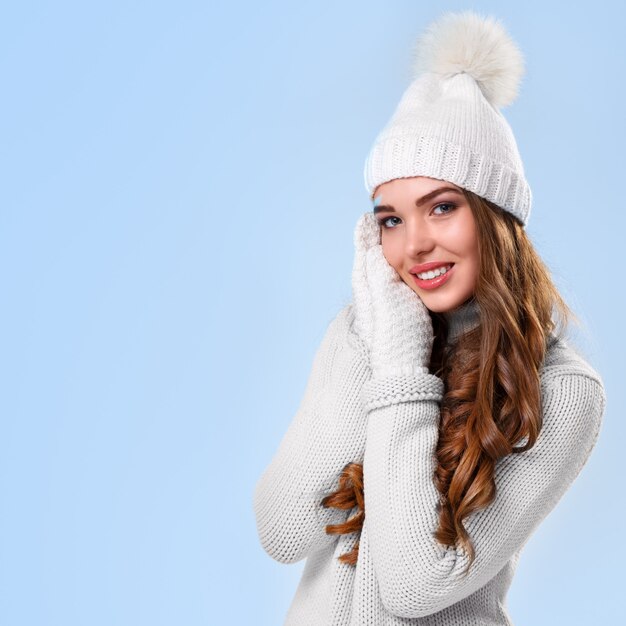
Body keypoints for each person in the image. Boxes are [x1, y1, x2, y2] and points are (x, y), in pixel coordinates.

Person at [253, 10, 607, 625]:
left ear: (495, 219)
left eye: (441, 208)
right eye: (391, 218)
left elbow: (415, 584)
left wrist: (399, 372)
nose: (413, 243)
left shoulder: (563, 391)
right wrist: (376, 339)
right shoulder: (363, 336)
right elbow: (284, 530)